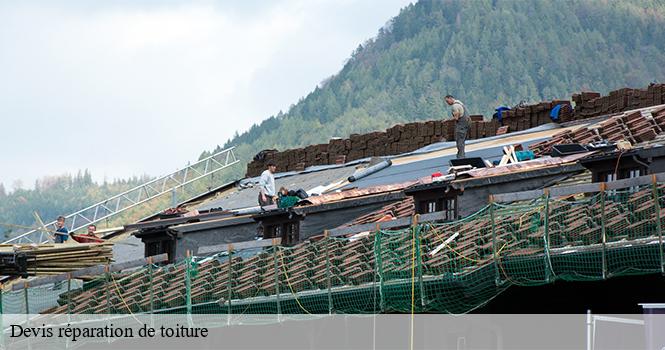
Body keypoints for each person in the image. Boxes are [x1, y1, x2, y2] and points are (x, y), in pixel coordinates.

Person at [445, 94, 471, 159]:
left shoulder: (455, 106)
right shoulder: (460, 103)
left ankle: (461, 157)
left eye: (447, 101)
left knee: (459, 141)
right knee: (462, 140)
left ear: (451, 98)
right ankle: (462, 155)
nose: (447, 103)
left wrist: (447, 120)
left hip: (461, 125)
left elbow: (456, 118)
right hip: (466, 124)